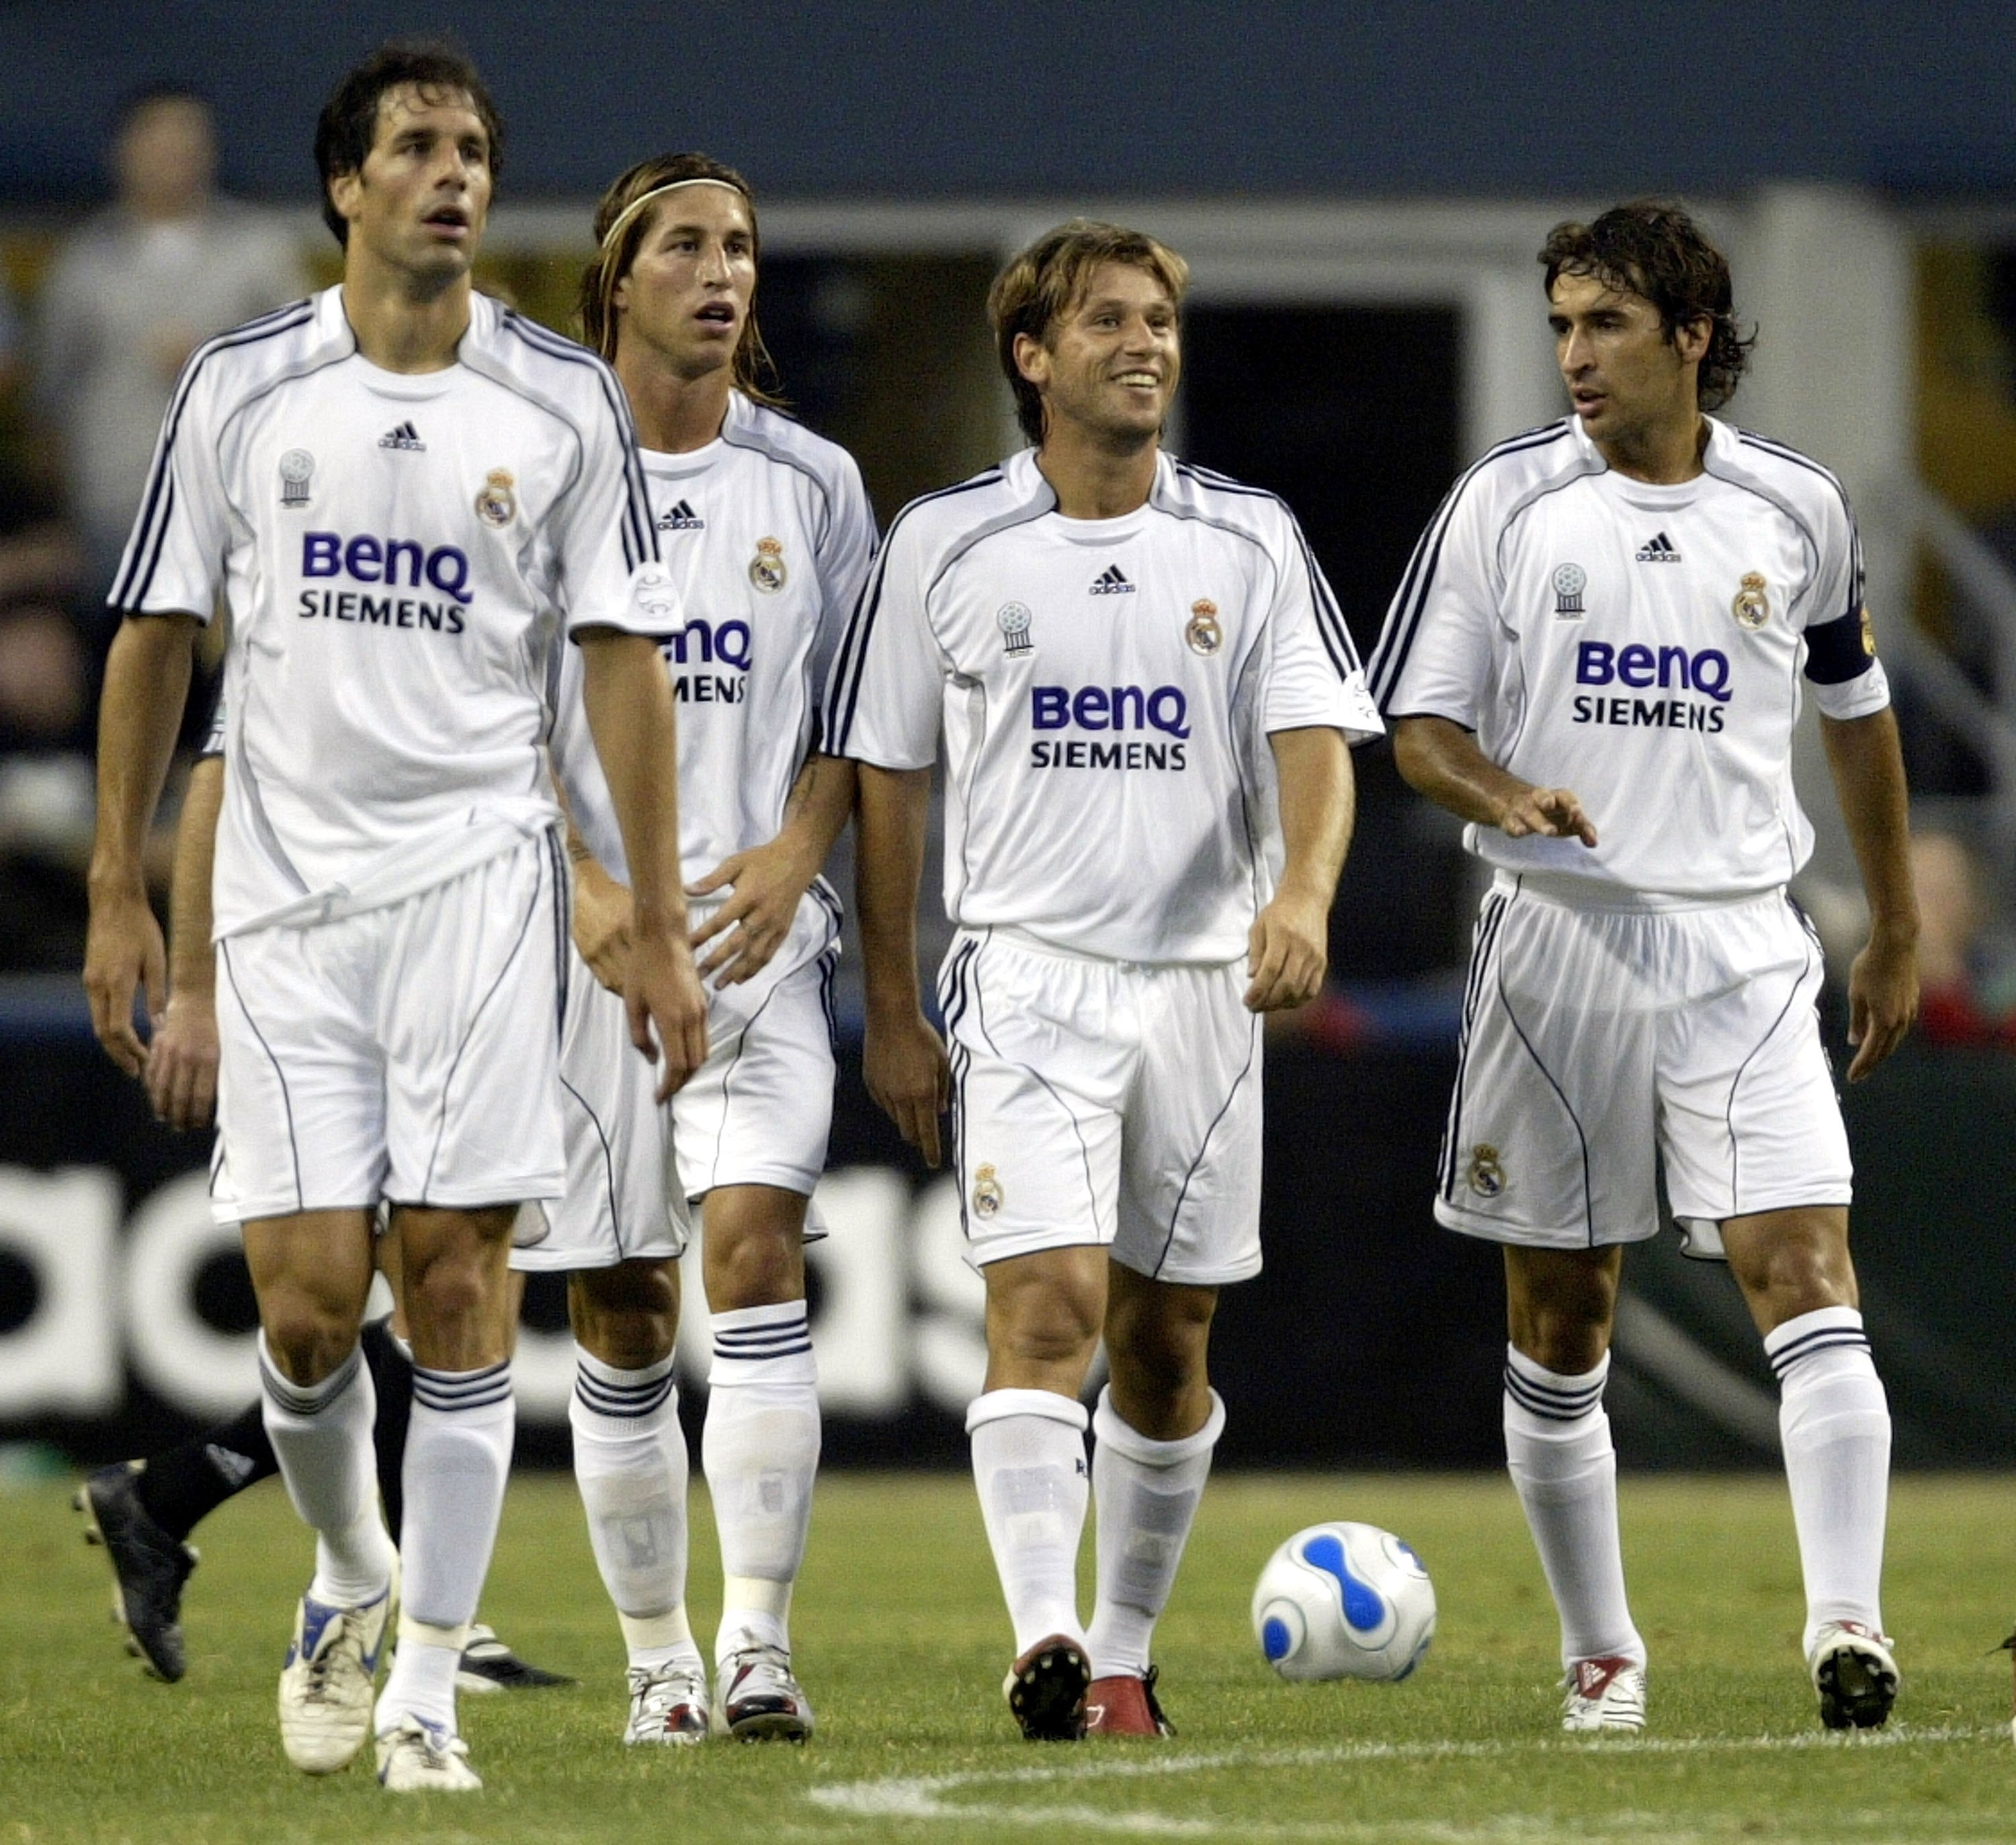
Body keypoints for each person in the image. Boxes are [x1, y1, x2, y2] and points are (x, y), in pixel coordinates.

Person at [81, 39, 706, 1794]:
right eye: (418, 148)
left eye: (476, 152)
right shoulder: (241, 388)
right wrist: (123, 893)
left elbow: (622, 669)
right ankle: (351, 1579)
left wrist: (648, 918)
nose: (454, 175)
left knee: (454, 1285)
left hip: (483, 899)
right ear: (346, 187)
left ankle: (425, 1683)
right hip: (282, 907)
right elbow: (153, 640)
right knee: (303, 1307)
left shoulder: (560, 402)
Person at [824, 219, 1381, 1740]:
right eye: (1107, 322)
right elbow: (887, 777)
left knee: (1165, 1339)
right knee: (1048, 1306)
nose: (1144, 344)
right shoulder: (945, 542)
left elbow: (1316, 740)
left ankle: (1124, 1655)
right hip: (1025, 976)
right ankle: (1044, 1636)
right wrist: (893, 1002)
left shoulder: (1247, 538)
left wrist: (1301, 898)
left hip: (1204, 990)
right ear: (1031, 356)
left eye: (1158, 321)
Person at [1366, 200, 1918, 1734]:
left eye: (1601, 324)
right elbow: (1415, 725)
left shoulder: (1793, 511)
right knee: (1559, 1322)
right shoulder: (1505, 505)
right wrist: (1503, 796)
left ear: (1691, 335)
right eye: (1556, 325)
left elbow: (1852, 707)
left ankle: (1845, 1631)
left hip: (1743, 943)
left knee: (1802, 1273)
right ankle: (1600, 1649)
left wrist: (1892, 919)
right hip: (1553, 941)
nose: (1571, 356)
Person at [532, 151, 873, 1744]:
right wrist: (592, 888)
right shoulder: (536, 463)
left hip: (756, 948)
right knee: (618, 1302)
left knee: (751, 1254)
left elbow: (857, 722)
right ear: (616, 279)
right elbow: (481, 704)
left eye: (739, 243)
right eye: (683, 245)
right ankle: (655, 1654)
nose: (720, 270)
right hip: (575, 952)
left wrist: (804, 845)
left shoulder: (811, 485)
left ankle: (755, 1646)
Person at [78, 745, 569, 1698]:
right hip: (367, 954)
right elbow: (222, 759)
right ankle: (413, 1606)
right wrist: (195, 983)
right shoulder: (318, 614)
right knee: (418, 1309)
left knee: (450, 1305)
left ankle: (173, 1496)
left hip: (498, 935)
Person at [30, 83, 306, 600]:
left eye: (187, 141)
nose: (174, 156)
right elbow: (50, 397)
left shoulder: (260, 249)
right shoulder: (83, 261)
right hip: (111, 520)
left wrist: (219, 361)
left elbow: (307, 369)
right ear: (124, 153)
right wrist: (62, 514)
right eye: (156, 141)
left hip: (237, 516)